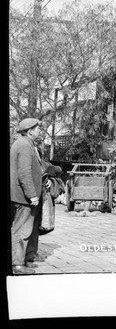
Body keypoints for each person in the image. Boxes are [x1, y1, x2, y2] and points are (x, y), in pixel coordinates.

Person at [10, 118, 44, 275]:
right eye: (38, 129)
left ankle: (21, 261)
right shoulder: (24, 146)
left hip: (23, 196)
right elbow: (24, 173)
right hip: (24, 197)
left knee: (25, 229)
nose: (40, 131)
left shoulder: (25, 144)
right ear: (30, 131)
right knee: (22, 230)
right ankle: (17, 264)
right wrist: (32, 195)